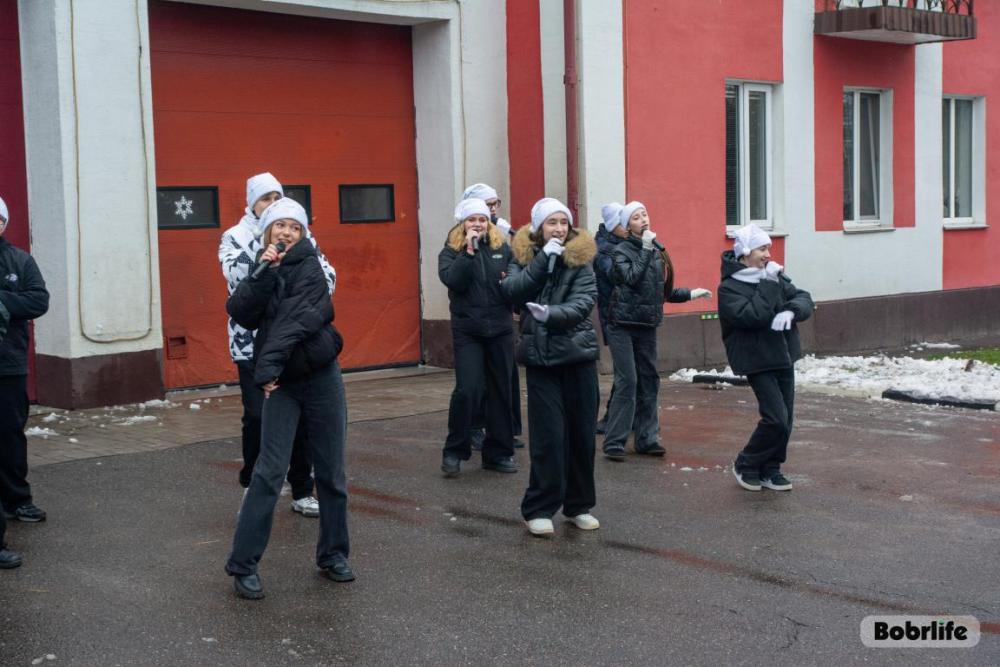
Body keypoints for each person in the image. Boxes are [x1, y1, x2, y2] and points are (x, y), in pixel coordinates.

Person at [224, 198, 352, 599]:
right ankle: (243, 565)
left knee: (331, 472)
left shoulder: (311, 265)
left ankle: (333, 555)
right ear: (267, 231)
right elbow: (240, 311)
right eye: (280, 225)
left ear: (303, 234)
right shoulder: (262, 266)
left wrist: (265, 370)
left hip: (320, 377)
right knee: (268, 472)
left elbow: (296, 320)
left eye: (295, 227)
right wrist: (261, 274)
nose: (287, 233)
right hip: (283, 384)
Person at [219, 172, 336, 518]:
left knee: (300, 421)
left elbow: (327, 279)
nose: (273, 204)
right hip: (251, 345)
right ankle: (252, 484)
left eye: (277, 197)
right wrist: (265, 256)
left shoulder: (302, 235)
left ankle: (301, 489)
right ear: (252, 204)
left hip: (296, 346)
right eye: (265, 199)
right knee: (257, 416)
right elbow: (236, 279)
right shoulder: (236, 236)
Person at [502, 197, 600, 537]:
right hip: (541, 360)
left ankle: (578, 505)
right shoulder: (523, 256)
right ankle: (539, 508)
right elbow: (513, 291)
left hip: (577, 357)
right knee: (549, 438)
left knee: (582, 436)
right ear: (538, 227)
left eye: (563, 222)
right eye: (551, 222)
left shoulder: (581, 260)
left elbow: (584, 301)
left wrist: (551, 315)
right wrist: (543, 259)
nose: (558, 229)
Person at [602, 201, 712, 461]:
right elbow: (631, 278)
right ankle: (614, 441)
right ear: (627, 225)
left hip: (647, 324)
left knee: (650, 380)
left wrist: (691, 294)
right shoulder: (620, 251)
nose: (643, 219)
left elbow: (660, 291)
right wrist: (646, 248)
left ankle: (647, 438)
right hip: (622, 325)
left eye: (644, 214)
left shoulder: (654, 252)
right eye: (636, 217)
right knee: (628, 381)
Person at [718, 223, 814, 492]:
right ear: (745, 252)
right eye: (762, 249)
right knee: (776, 418)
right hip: (756, 359)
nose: (768, 255)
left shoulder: (773, 277)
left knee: (786, 420)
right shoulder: (729, 288)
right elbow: (752, 316)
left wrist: (792, 310)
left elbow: (804, 298)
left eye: (769, 248)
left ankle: (771, 469)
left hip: (783, 355)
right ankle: (746, 463)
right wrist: (770, 284)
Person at [438, 198, 517, 477]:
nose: (478, 224)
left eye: (482, 219)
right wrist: (469, 252)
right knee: (467, 390)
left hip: (500, 329)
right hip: (468, 330)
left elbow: (514, 278)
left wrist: (512, 285)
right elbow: (454, 281)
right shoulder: (451, 252)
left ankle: (498, 453)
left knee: (501, 390)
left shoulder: (501, 248)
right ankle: (454, 450)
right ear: (463, 223)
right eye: (472, 219)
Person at [461, 183, 525, 451]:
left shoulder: (502, 232)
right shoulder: (462, 238)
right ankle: (474, 427)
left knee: (505, 377)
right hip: (474, 319)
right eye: (488, 205)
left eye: (495, 203)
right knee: (476, 381)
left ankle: (506, 429)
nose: (494, 209)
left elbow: (517, 261)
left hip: (500, 317)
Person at [0, 195, 49, 541]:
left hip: (9, 363)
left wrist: (2, 301)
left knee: (10, 434)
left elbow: (38, 300)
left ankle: (18, 499)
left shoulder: (19, 260)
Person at [593, 202, 623, 434]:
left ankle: (631, 417)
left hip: (630, 315)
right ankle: (612, 417)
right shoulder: (604, 250)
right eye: (623, 222)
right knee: (625, 372)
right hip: (616, 317)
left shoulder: (623, 244)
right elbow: (619, 277)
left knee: (634, 372)